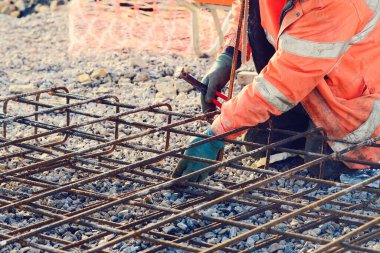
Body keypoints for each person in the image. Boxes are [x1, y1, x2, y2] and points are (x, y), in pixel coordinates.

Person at [172, 0, 380, 183]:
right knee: (262, 143)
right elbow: (248, 7)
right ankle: (300, 126)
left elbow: (285, 79)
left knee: (329, 168)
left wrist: (218, 133)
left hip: (352, 96)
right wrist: (230, 54)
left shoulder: (332, 5)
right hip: (308, 74)